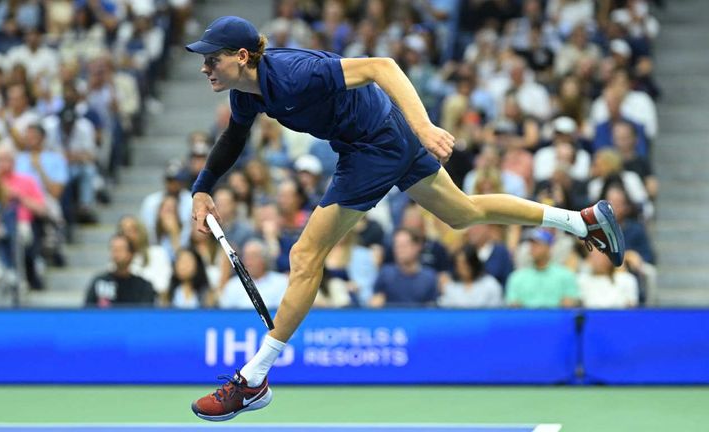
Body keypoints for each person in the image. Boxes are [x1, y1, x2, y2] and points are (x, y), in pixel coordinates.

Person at [185, 16, 625, 421]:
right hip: (375, 137)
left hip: (377, 143)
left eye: (212, 58)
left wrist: (426, 127)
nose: (205, 67)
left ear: (242, 57)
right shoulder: (246, 93)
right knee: (462, 212)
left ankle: (255, 378)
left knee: (305, 254)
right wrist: (203, 187)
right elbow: (234, 137)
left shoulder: (295, 73)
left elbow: (383, 65)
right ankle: (579, 221)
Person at [85, 234, 156, 308]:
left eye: (120, 249)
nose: (116, 254)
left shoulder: (143, 286)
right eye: (113, 249)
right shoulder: (100, 282)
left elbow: (146, 315)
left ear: (131, 254)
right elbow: (87, 312)